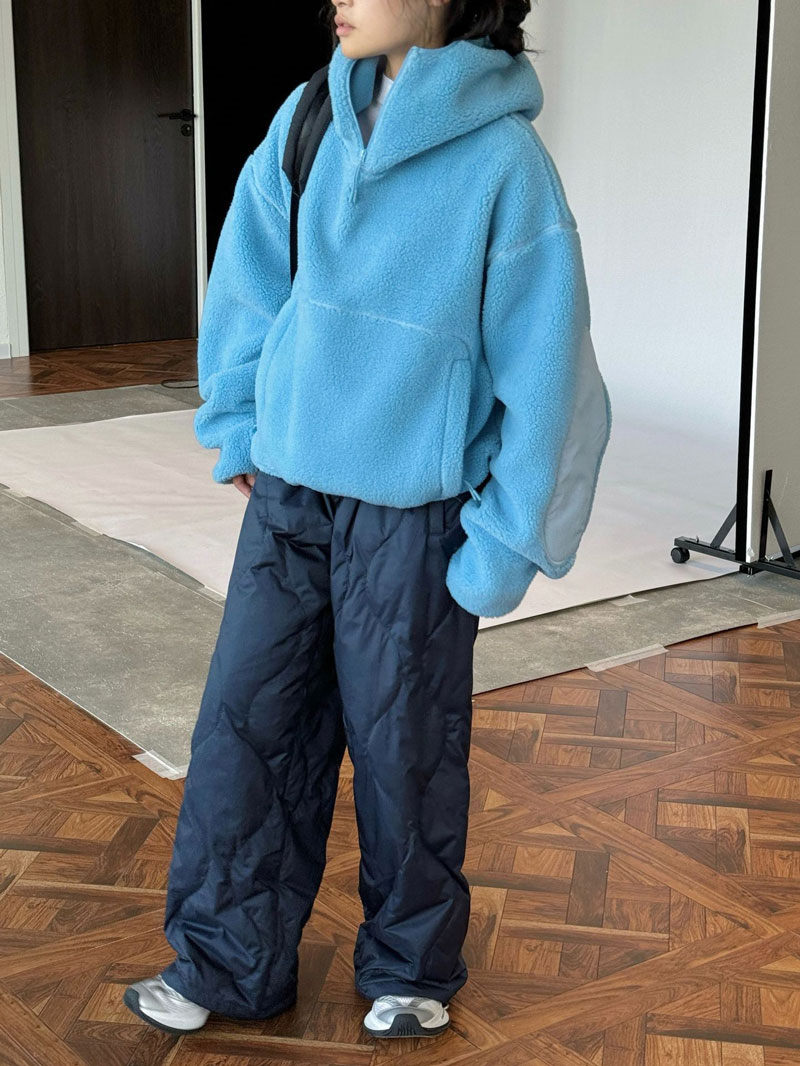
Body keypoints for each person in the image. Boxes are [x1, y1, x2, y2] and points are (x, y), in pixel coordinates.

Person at [123, 0, 611, 1042]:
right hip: (291, 499)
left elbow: (551, 377)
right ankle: (225, 958)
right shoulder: (308, 116)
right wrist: (241, 422)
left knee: (407, 752)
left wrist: (504, 543)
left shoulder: (505, 165)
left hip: (414, 516)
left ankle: (409, 962)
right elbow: (250, 275)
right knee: (245, 731)